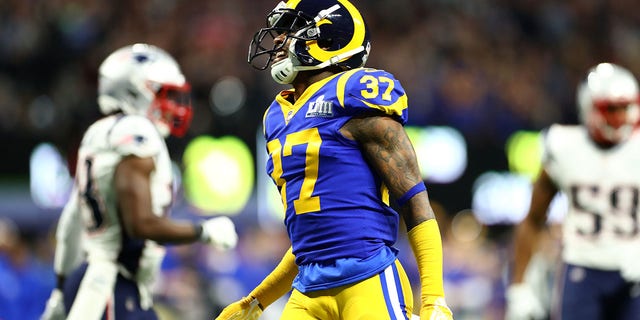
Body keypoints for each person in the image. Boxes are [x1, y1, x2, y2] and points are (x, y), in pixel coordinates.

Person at [216, 1, 453, 319]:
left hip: (367, 277)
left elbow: (415, 203)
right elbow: (312, 240)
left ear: (327, 38)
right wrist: (257, 300)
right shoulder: (276, 116)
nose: (275, 39)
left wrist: (434, 296)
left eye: (288, 29)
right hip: (307, 290)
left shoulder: (354, 92)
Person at [40, 43, 239, 320]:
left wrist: (61, 291)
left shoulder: (97, 133)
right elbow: (141, 223)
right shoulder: (137, 132)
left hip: (95, 282)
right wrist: (204, 231)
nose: (172, 106)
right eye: (164, 94)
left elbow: (71, 223)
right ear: (134, 91)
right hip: (111, 285)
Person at [507, 62, 640, 320]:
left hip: (634, 270)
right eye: (611, 109)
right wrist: (519, 288)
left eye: (625, 108)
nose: (620, 117)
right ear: (588, 106)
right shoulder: (564, 147)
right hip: (583, 267)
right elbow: (533, 219)